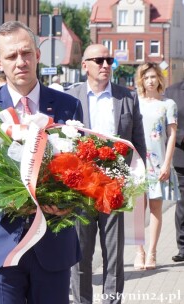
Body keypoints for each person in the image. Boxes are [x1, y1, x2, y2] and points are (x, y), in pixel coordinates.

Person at [0, 21, 83, 303]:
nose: (20, 61)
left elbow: (85, 170)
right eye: (11, 56)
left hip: (53, 244)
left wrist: (67, 200)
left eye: (26, 53)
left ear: (37, 54)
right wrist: (5, 200)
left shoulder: (67, 106)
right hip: (1, 246)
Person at [68, 44, 147, 303]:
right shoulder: (72, 97)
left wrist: (135, 179)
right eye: (99, 60)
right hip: (81, 189)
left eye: (109, 60)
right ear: (84, 66)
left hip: (114, 186)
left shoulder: (127, 97)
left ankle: (112, 301)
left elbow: (138, 142)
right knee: (80, 254)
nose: (105, 65)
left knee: (113, 255)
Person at [134, 63, 180, 270]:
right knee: (136, 210)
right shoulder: (135, 102)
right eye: (147, 77)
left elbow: (171, 136)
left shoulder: (168, 104)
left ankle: (152, 252)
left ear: (159, 79)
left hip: (159, 162)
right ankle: (139, 251)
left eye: (154, 76)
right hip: (137, 162)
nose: (150, 80)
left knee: (155, 208)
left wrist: (167, 164)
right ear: (141, 80)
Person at [165, 79, 184, 263]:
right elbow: (165, 124)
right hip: (182, 157)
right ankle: (183, 247)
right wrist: (180, 137)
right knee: (183, 205)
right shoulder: (172, 92)